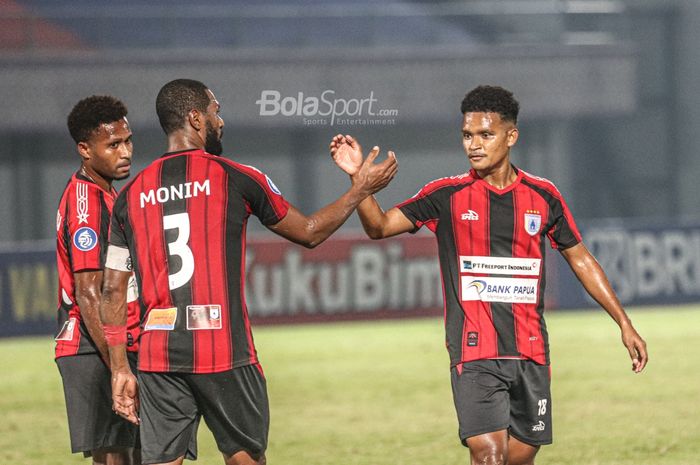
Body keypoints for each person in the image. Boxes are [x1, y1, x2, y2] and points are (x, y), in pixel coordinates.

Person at [329, 85, 648, 465]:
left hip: (530, 351)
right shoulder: (445, 195)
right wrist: (360, 184)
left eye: (486, 134)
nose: (474, 145)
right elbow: (379, 227)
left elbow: (580, 258)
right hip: (474, 352)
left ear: (511, 136)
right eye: (467, 135)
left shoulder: (543, 196)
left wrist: (624, 323)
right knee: (489, 454)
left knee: (519, 458)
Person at [98, 78, 397, 465]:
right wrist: (359, 189)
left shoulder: (130, 193)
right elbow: (309, 233)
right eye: (215, 111)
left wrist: (120, 367)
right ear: (195, 118)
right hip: (225, 350)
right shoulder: (235, 177)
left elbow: (112, 290)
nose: (220, 121)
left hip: (159, 355)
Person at [55, 95, 141, 465]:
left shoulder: (106, 194)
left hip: (110, 343)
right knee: (115, 458)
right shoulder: (86, 204)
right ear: (85, 150)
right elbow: (88, 293)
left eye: (127, 140)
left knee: (136, 452)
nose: (125, 152)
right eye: (113, 144)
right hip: (92, 347)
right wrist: (118, 366)